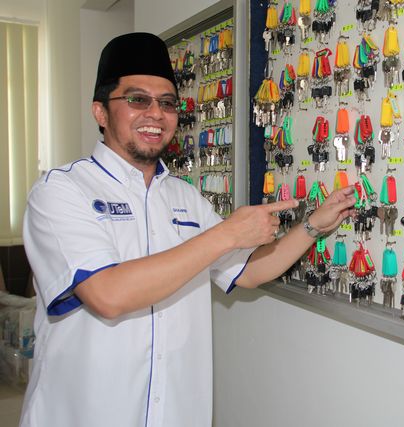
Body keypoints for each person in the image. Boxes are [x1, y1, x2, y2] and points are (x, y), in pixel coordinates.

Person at [20, 32, 355, 427]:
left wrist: (313, 226)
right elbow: (107, 294)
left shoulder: (185, 197)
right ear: (100, 112)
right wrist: (226, 234)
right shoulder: (61, 191)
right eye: (137, 99)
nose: (155, 114)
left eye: (167, 103)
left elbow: (248, 271)